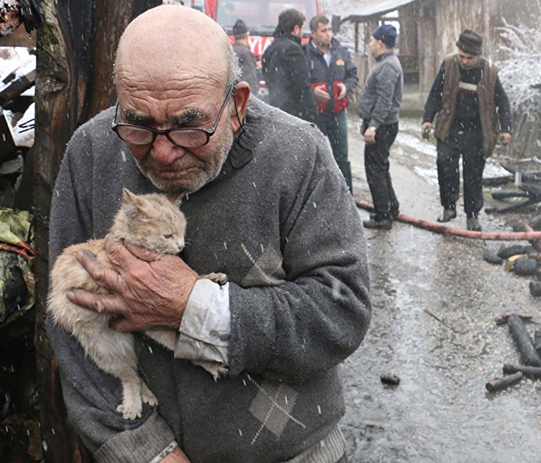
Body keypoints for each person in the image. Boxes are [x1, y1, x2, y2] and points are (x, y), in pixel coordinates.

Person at [47, 5, 370, 463]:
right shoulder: (93, 151)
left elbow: (342, 312)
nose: (161, 151)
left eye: (188, 125)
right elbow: (68, 324)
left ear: (236, 105)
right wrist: (145, 451)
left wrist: (195, 308)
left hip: (295, 451)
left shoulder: (298, 154)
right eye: (138, 123)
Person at [421, 29, 512, 232]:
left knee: (473, 173)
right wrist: (427, 119)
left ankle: (472, 215)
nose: (464, 61)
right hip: (450, 127)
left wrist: (505, 128)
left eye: (469, 58)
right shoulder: (449, 64)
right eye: (461, 56)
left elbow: (502, 102)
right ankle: (449, 206)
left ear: (478, 55)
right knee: (444, 163)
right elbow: (435, 93)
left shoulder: (489, 72)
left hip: (477, 130)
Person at [357, 24, 403, 229]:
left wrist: (373, 126)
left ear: (380, 43)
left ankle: (383, 215)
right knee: (381, 166)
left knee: (375, 169)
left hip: (383, 125)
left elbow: (385, 100)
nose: (370, 44)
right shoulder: (386, 63)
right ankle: (391, 206)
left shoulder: (387, 66)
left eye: (372, 40)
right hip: (382, 124)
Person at [305, 15, 358, 193]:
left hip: (338, 113)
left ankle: (346, 195)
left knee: (342, 156)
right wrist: (312, 92)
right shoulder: (304, 53)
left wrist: (347, 86)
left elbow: (353, 75)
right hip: (315, 114)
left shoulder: (340, 51)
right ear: (313, 33)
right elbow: (298, 83)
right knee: (314, 157)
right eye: (323, 31)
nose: (328, 34)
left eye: (329, 30)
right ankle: (317, 196)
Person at [261, 8, 317, 122]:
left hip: (275, 112)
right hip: (294, 115)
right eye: (302, 29)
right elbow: (302, 86)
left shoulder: (269, 49)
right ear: (296, 29)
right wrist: (312, 113)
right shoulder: (294, 50)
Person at [232, 19, 261, 94]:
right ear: (247, 36)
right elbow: (251, 80)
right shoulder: (247, 54)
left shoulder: (230, 51)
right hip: (243, 96)